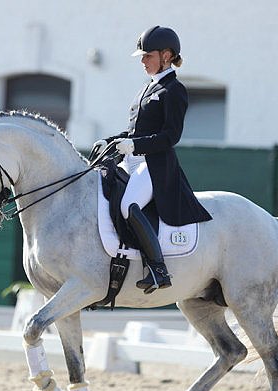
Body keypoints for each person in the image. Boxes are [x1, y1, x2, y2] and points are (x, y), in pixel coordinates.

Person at [93, 26, 212, 294]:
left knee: (128, 205)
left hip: (155, 165)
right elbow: (136, 132)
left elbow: (171, 136)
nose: (143, 61)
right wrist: (112, 140)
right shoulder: (147, 88)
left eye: (147, 55)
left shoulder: (174, 90)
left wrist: (133, 144)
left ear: (166, 55)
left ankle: (158, 269)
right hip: (133, 162)